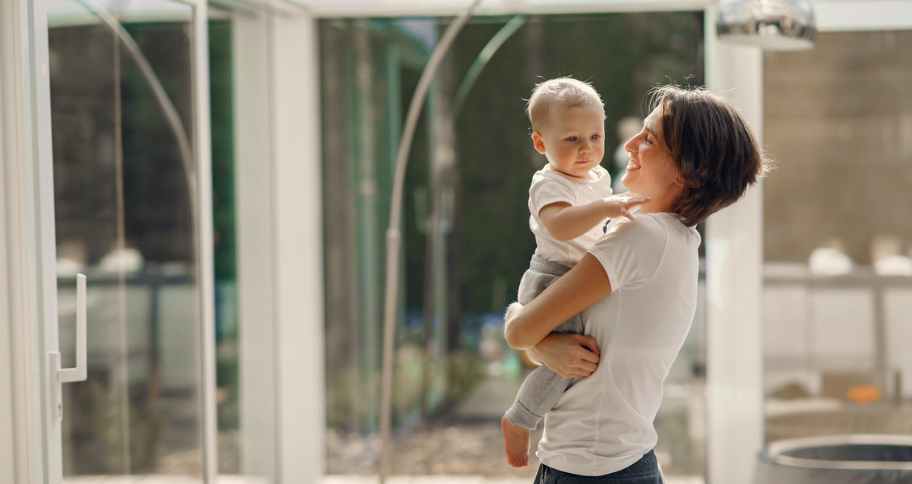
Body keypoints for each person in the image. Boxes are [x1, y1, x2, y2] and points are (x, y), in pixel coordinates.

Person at [503, 85, 769, 482]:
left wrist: (538, 341)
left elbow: (520, 331)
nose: (628, 144)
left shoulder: (641, 237)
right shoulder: (677, 238)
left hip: (589, 469)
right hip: (618, 462)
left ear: (685, 172)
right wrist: (545, 346)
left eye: (648, 139)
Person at [501, 77, 649, 468]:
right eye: (571, 140)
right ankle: (521, 418)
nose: (587, 149)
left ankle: (526, 415)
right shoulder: (548, 183)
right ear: (540, 144)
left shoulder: (598, 176)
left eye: (595, 136)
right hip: (552, 277)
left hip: (575, 274)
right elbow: (562, 227)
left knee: (570, 358)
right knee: (566, 365)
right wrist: (607, 209)